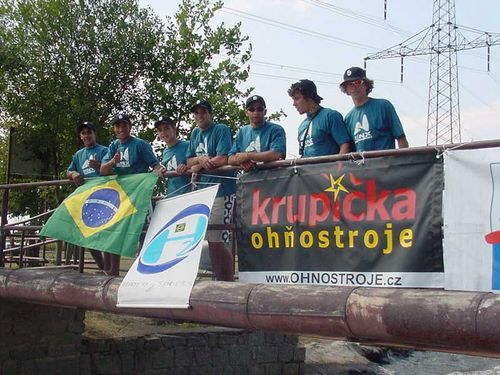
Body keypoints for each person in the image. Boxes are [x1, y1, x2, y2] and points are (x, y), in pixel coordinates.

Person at [100, 113, 163, 276]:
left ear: (130, 127)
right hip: (119, 197)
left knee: (144, 231)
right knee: (113, 229)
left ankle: (144, 270)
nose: (121, 129)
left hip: (139, 196)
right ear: (114, 129)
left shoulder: (140, 144)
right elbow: (103, 170)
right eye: (117, 126)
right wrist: (113, 161)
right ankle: (113, 271)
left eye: (124, 125)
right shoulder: (113, 146)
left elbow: (154, 165)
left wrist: (159, 170)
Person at [186, 100, 237, 281]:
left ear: (210, 114)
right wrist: (200, 161)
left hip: (223, 190)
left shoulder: (221, 129)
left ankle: (227, 280)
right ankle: (218, 279)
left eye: (203, 112)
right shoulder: (194, 133)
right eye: (196, 113)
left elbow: (224, 159)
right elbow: (189, 161)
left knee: (218, 239)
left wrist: (201, 164)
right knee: (209, 239)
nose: (199, 116)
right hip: (202, 192)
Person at [67, 121, 108, 271]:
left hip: (104, 198)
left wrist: (98, 166)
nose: (86, 135)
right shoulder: (78, 155)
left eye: (89, 132)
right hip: (87, 201)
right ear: (80, 136)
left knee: (107, 234)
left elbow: (110, 170)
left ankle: (111, 270)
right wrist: (73, 173)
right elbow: (68, 171)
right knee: (87, 236)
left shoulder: (104, 150)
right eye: (83, 133)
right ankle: (103, 268)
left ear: (94, 134)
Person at [340, 66, 409, 151]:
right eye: (349, 84)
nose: (354, 86)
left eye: (358, 82)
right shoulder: (348, 118)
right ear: (346, 89)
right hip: (363, 164)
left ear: (366, 85)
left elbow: (401, 138)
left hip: (386, 163)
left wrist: (403, 162)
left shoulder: (383, 106)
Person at [288, 79, 351, 157]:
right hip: (308, 168)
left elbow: (345, 144)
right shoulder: (302, 126)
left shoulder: (330, 115)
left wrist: (339, 166)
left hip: (329, 168)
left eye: (297, 98)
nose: (294, 104)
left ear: (309, 97)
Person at [228, 95, 286, 171]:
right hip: (248, 180)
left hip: (273, 179)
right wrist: (241, 161)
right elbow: (230, 159)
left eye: (259, 109)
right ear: (246, 112)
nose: (256, 112)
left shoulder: (276, 129)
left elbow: (277, 154)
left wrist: (248, 156)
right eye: (251, 109)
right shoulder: (242, 132)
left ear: (265, 112)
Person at [154, 115, 190, 197]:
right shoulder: (165, 152)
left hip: (189, 194)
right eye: (160, 130)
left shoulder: (188, 145)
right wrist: (162, 171)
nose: (163, 132)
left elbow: (198, 164)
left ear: (174, 129)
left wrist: (187, 167)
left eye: (166, 128)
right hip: (172, 195)